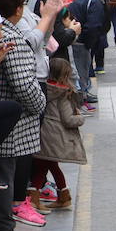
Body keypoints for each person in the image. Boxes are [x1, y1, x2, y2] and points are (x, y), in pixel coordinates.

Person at [0, 0, 48, 231]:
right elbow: (24, 84)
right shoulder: (14, 39)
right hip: (11, 126)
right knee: (2, 179)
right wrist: (41, 104)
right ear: (18, 9)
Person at [29, 57, 86, 211]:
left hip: (44, 132)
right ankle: (60, 196)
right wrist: (80, 118)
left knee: (45, 165)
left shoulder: (44, 88)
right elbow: (68, 120)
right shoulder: (63, 93)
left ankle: (53, 196)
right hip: (55, 135)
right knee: (47, 165)